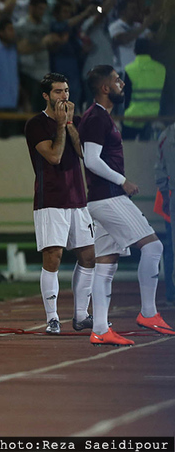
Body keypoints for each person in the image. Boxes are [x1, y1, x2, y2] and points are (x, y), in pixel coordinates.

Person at [79, 65, 173, 344]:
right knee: (154, 247)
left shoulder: (100, 117)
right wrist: (123, 181)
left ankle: (100, 329)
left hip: (101, 199)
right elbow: (91, 159)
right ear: (105, 88)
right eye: (118, 80)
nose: (123, 84)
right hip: (109, 197)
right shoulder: (96, 117)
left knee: (106, 265)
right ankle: (148, 312)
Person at [24, 72, 96, 336]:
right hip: (51, 199)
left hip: (78, 198)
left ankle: (81, 315)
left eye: (66, 91)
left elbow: (84, 154)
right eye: (57, 92)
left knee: (89, 256)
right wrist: (61, 126)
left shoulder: (74, 122)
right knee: (52, 257)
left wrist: (70, 125)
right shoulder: (35, 125)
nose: (64, 96)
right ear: (46, 95)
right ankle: (53, 317)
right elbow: (54, 156)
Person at [155, 123, 175, 306]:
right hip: (170, 195)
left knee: (171, 247)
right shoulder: (167, 136)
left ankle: (172, 291)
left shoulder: (167, 135)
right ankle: (171, 290)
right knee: (171, 247)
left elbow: (159, 168)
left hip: (170, 195)